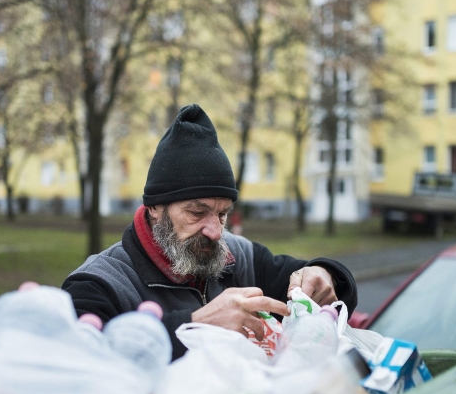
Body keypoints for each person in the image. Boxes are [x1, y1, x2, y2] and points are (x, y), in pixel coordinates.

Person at [62, 104, 357, 360]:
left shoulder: (238, 257)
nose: (215, 232)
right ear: (154, 208)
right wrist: (195, 325)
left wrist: (325, 273)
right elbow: (83, 365)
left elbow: (324, 283)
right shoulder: (98, 283)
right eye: (196, 212)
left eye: (222, 213)